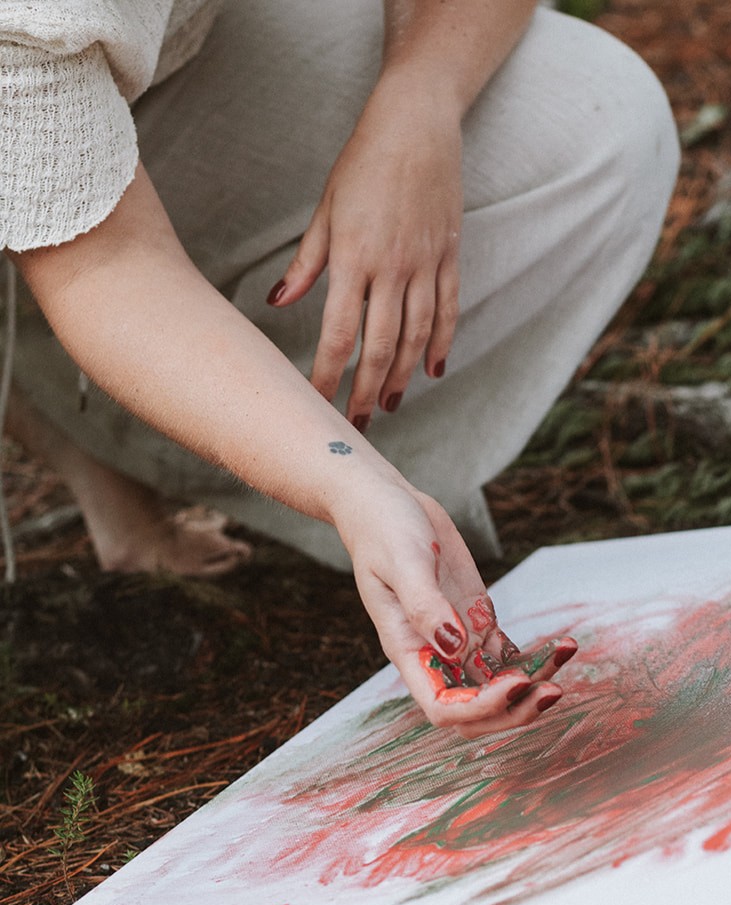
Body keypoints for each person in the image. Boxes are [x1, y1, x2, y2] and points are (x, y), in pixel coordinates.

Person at [0, 0, 679, 736]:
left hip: (180, 43)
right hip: (34, 92)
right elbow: (107, 264)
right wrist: (350, 486)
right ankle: (81, 424)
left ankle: (233, 438)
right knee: (60, 237)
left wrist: (415, 110)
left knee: (598, 122)